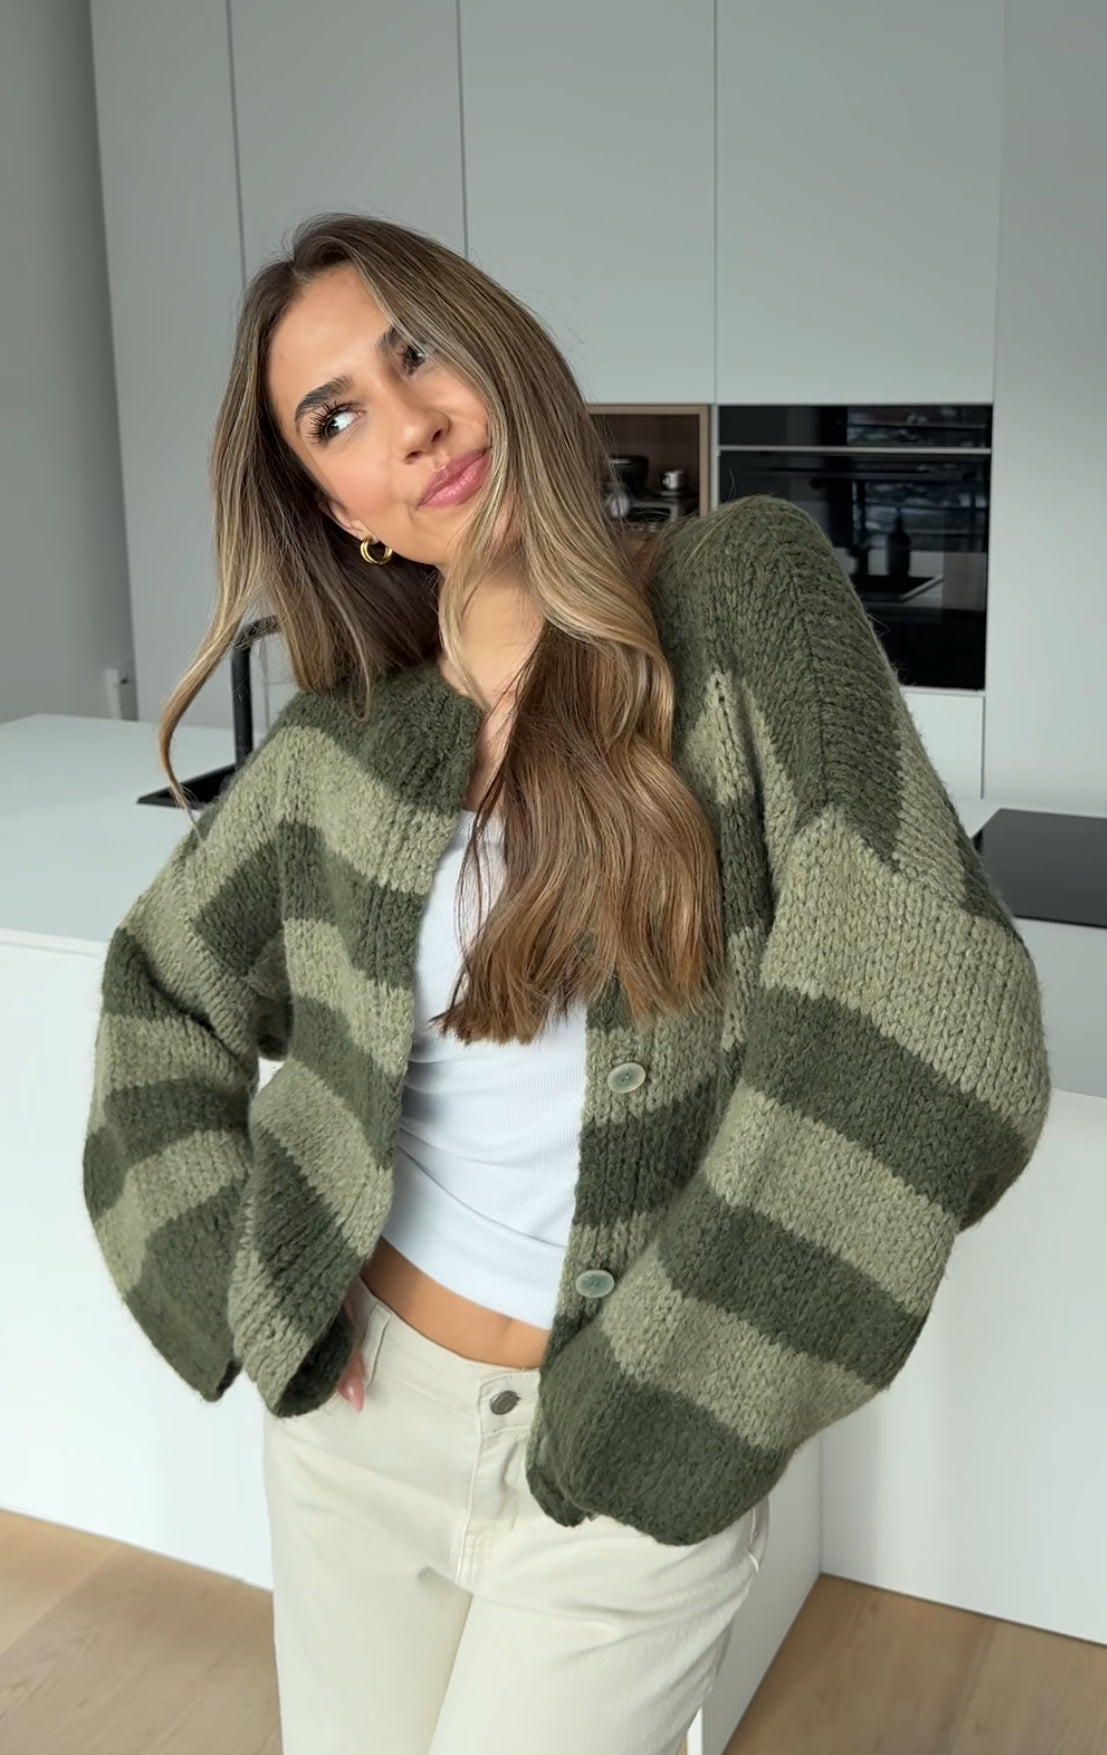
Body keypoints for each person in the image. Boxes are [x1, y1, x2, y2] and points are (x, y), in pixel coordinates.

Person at [82, 213, 1051, 1755]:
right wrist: (239, 1285)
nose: (408, 423)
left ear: (496, 345)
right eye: (336, 417)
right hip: (357, 1425)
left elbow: (939, 1006)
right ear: (335, 505)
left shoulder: (737, 598)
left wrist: (685, 1387)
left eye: (416, 350)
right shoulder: (342, 748)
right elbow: (158, 989)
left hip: (617, 1460)